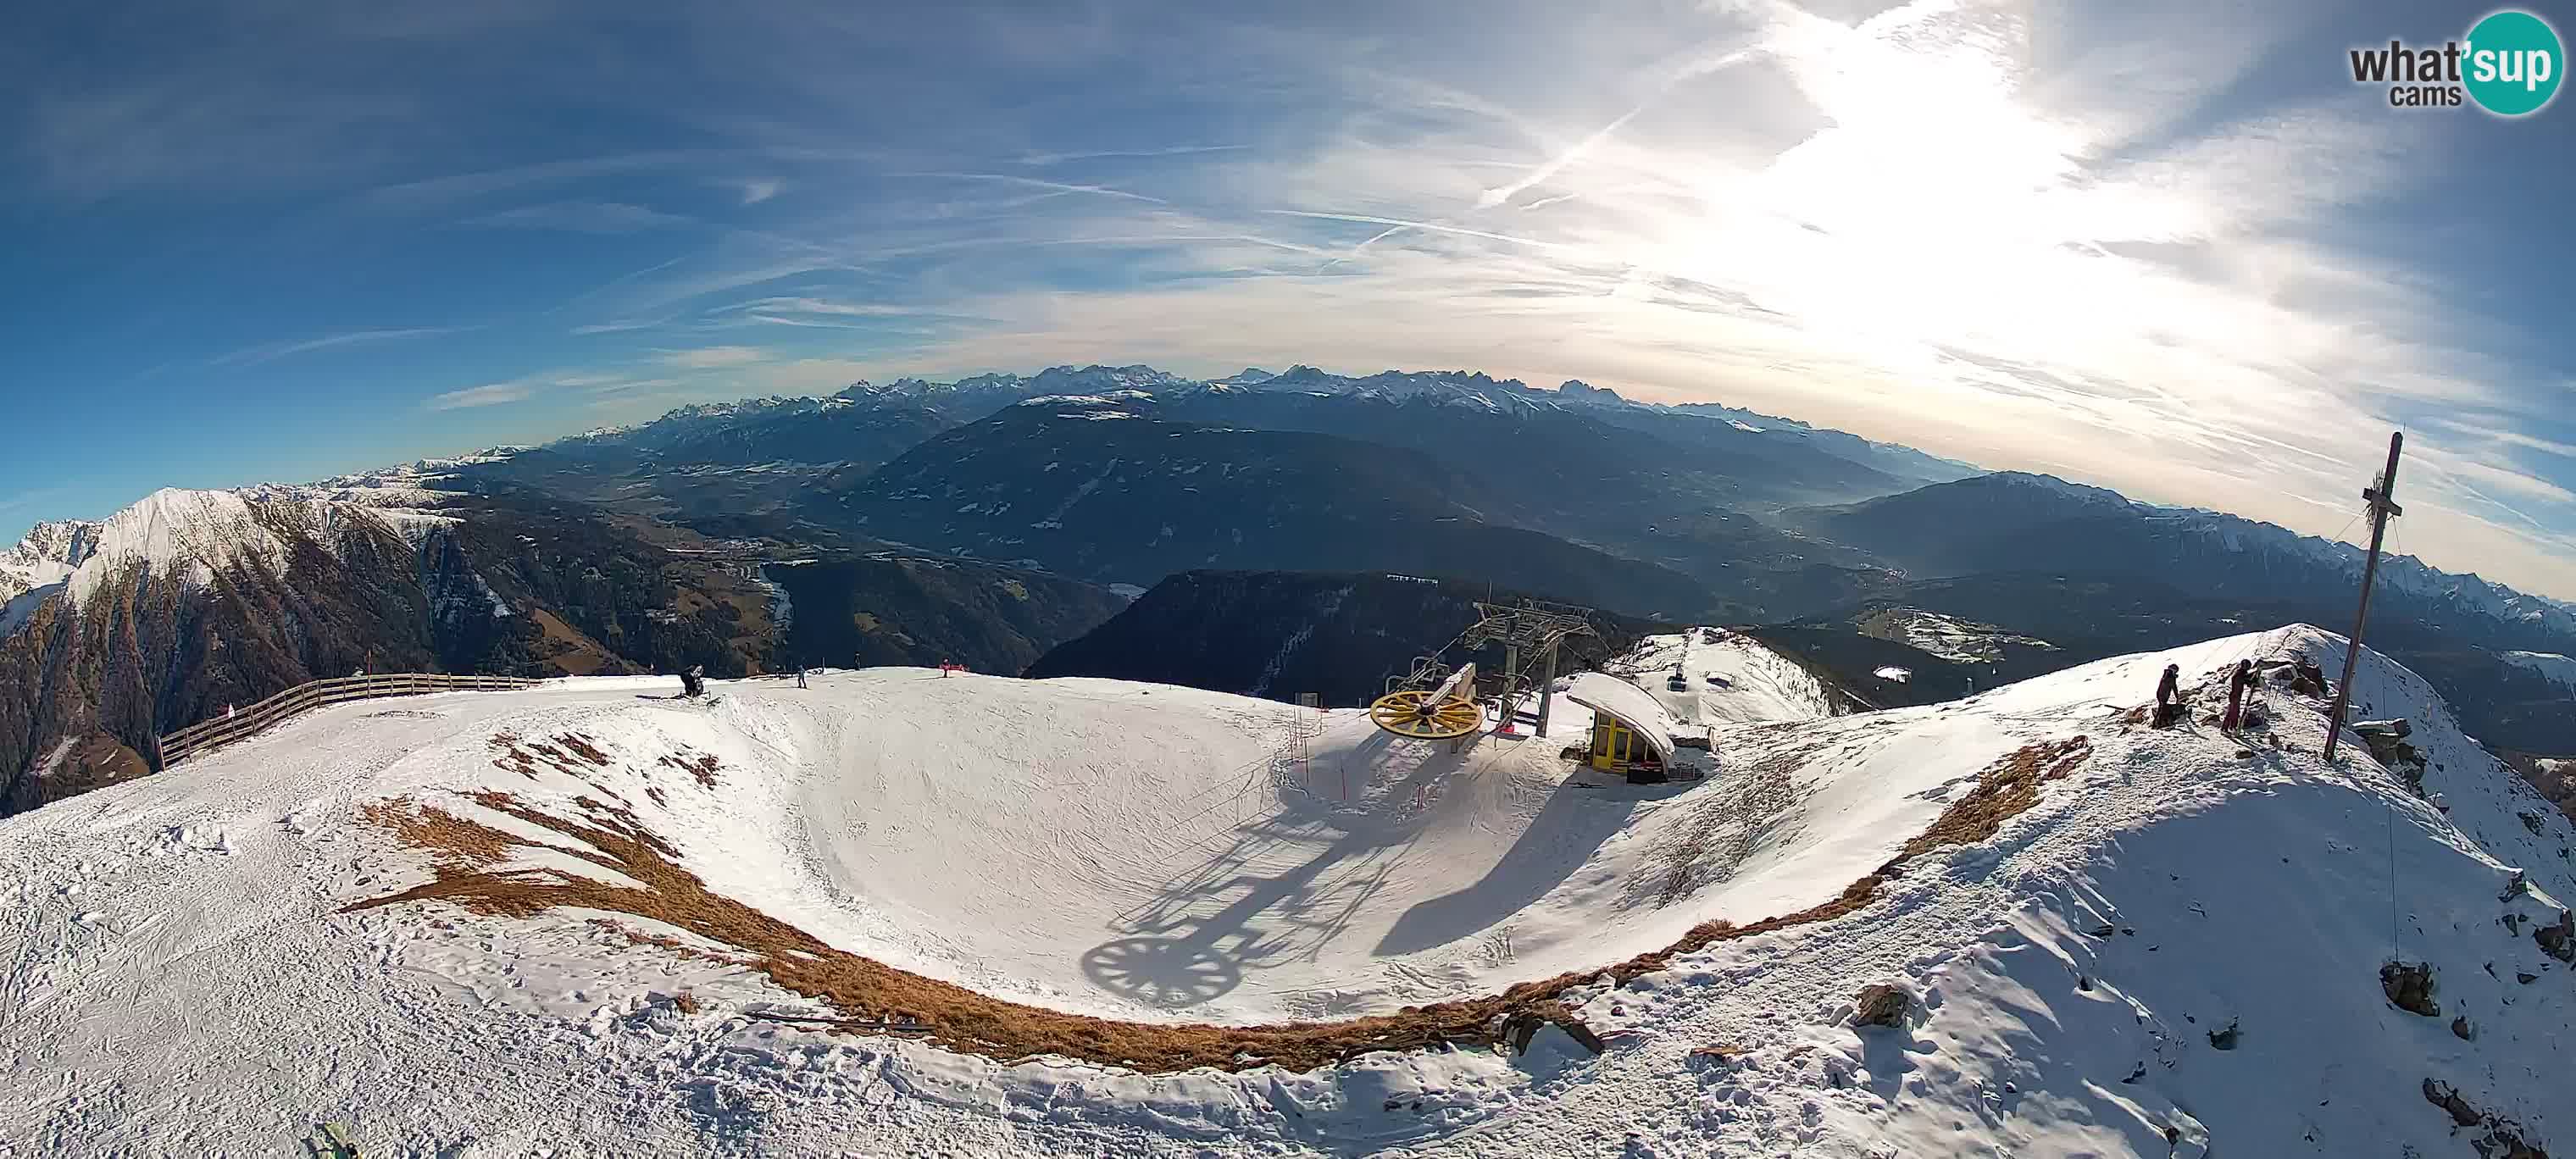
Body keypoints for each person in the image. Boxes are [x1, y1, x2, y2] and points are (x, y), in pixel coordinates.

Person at [2221, 659, 2256, 732]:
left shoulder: (2240, 673)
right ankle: (2226, 728)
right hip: (2235, 696)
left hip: (2236, 695)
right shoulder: (2239, 674)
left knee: (2235, 712)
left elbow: (2246, 679)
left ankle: (2231, 727)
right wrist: (2251, 680)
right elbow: (2244, 680)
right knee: (2232, 713)